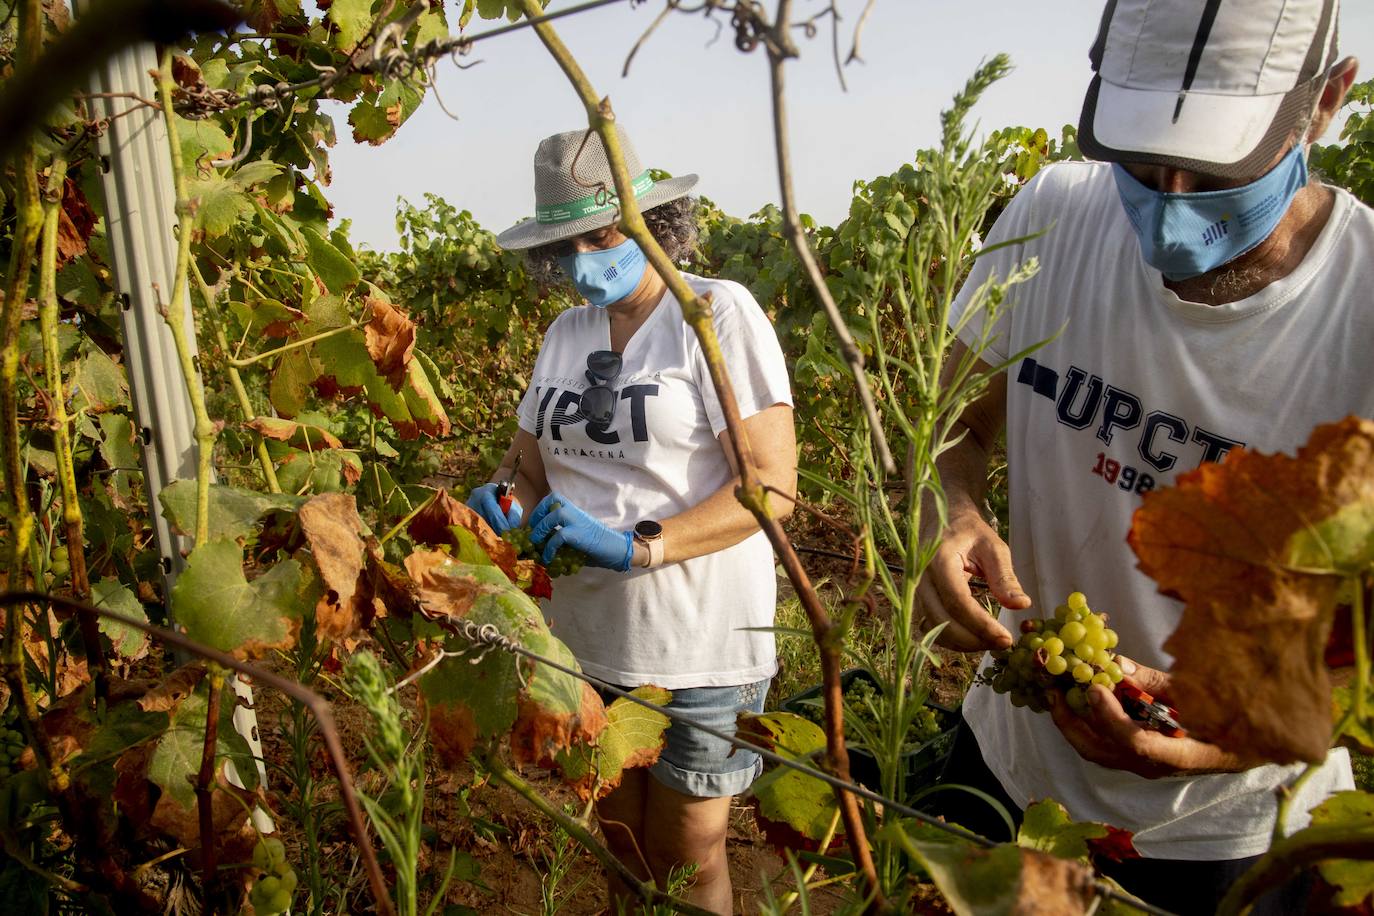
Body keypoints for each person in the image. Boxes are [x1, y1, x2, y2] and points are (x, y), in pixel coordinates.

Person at [920, 0, 1370, 912]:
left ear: (1326, 101)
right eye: (1135, 162)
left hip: (1238, 836)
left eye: (1211, 169)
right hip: (1004, 770)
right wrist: (949, 512)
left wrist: (1234, 736)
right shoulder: (1051, 218)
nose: (1166, 200)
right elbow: (948, 434)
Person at [468, 125, 795, 914]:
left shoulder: (714, 313)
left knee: (689, 857)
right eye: (567, 244)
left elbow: (773, 488)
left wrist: (637, 549)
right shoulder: (566, 333)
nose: (585, 260)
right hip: (588, 642)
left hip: (700, 646)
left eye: (602, 235)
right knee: (617, 846)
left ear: (656, 221)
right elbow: (528, 464)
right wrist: (505, 498)